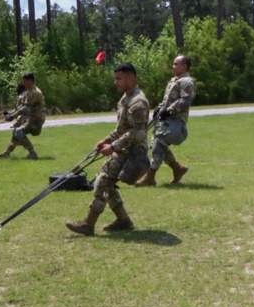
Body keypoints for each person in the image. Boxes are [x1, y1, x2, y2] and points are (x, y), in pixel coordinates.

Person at [66, 63, 149, 236]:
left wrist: (114, 146)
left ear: (130, 79)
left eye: (119, 79)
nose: (115, 82)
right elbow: (122, 129)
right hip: (123, 150)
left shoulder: (137, 102)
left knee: (103, 181)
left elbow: (138, 132)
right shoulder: (125, 99)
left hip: (133, 153)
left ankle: (88, 224)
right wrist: (106, 140)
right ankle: (123, 220)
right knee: (106, 183)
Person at [135, 55, 195, 186]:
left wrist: (169, 111)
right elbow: (167, 100)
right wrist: (160, 109)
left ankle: (150, 176)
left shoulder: (187, 82)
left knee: (159, 142)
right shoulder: (174, 81)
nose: (173, 67)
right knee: (157, 142)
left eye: (176, 64)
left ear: (184, 66)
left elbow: (185, 101)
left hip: (176, 122)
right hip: (166, 120)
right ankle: (177, 168)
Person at [0, 73, 45, 160]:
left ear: (30, 81)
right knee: (16, 131)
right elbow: (21, 107)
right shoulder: (28, 92)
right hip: (31, 119)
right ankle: (7, 152)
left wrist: (13, 116)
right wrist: (10, 113)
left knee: (18, 131)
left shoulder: (34, 92)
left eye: (25, 81)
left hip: (36, 120)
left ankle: (32, 153)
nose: (23, 83)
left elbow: (25, 109)